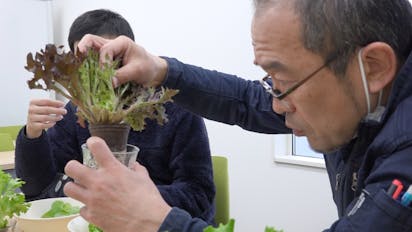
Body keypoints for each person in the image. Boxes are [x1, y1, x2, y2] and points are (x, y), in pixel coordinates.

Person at [66, 0, 412, 231]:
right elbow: (247, 101)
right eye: (271, 81)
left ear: (374, 66)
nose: (276, 104)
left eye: (284, 80)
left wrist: (158, 222)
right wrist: (160, 70)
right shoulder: (355, 96)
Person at [15, 9, 216, 224]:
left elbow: (199, 196)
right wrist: (32, 135)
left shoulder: (174, 108)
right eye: (87, 61)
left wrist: (131, 200)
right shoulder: (76, 111)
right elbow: (36, 188)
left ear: (130, 55)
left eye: (111, 56)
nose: (102, 70)